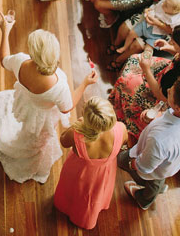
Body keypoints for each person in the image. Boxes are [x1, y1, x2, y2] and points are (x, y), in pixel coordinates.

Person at [0, 14, 98, 183]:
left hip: (27, 104)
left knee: (28, 130)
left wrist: (5, 31)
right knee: (36, 137)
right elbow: (67, 108)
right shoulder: (59, 87)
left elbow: (4, 60)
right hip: (42, 116)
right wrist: (85, 83)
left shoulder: (20, 61)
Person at [118, 76, 180, 210]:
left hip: (155, 160)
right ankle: (157, 187)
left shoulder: (160, 140)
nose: (168, 89)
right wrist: (160, 117)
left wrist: (132, 163)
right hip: (172, 159)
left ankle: (145, 199)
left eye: (170, 93)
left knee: (124, 162)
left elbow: (144, 167)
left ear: (178, 108)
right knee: (159, 176)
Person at [110, 24, 180, 144]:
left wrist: (146, 70)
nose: (170, 42)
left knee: (126, 80)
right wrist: (169, 48)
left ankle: (121, 109)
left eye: (174, 43)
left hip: (169, 96)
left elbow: (161, 96)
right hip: (170, 72)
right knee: (134, 59)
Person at [54, 97, 127, 229]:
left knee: (74, 191)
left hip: (79, 172)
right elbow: (124, 142)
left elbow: (63, 141)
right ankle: (87, 218)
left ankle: (68, 207)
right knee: (94, 196)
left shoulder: (77, 134)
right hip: (104, 172)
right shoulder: (121, 129)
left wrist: (76, 125)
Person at [115, 0, 180, 55]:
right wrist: (148, 11)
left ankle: (145, 58)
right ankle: (124, 47)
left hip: (157, 35)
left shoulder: (176, 20)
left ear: (175, 11)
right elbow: (154, 6)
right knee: (131, 33)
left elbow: (175, 31)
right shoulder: (164, 2)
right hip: (146, 25)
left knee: (149, 48)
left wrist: (158, 24)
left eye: (166, 5)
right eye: (165, 1)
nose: (163, 4)